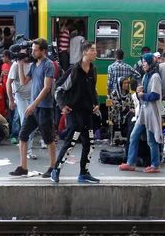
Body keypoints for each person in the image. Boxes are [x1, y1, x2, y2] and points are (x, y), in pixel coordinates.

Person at [52, 41, 100, 184]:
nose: (95, 52)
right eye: (92, 50)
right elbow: (58, 88)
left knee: (89, 144)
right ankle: (56, 170)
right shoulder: (74, 70)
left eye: (95, 50)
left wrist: (96, 103)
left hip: (88, 112)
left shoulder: (93, 70)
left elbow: (93, 89)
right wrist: (62, 105)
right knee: (71, 142)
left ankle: (83, 173)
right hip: (74, 112)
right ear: (85, 52)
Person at [10, 39, 57, 178]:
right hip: (34, 107)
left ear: (43, 51)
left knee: (48, 138)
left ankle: (53, 167)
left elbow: (47, 88)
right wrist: (19, 64)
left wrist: (33, 104)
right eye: (32, 50)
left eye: (36, 50)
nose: (33, 52)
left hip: (44, 108)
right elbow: (23, 81)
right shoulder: (34, 65)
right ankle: (23, 167)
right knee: (22, 135)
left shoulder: (48, 64)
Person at [119, 52, 163, 174]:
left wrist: (142, 95)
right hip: (144, 112)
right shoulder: (145, 76)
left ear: (150, 63)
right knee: (134, 136)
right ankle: (130, 163)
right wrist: (139, 93)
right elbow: (142, 96)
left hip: (152, 112)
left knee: (151, 140)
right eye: (142, 62)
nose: (143, 64)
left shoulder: (155, 77)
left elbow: (155, 95)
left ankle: (155, 165)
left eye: (145, 62)